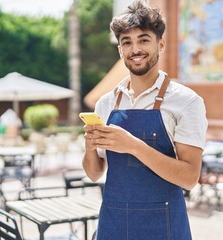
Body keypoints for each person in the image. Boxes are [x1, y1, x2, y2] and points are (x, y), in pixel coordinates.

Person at [82, 1, 207, 239]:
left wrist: (132, 145)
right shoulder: (106, 104)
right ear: (120, 50)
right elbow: (94, 173)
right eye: (126, 42)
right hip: (113, 224)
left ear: (160, 44)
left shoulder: (187, 102)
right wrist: (89, 148)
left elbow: (190, 178)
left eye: (143, 40)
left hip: (164, 227)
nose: (135, 49)